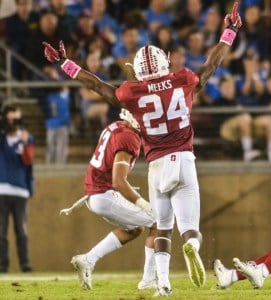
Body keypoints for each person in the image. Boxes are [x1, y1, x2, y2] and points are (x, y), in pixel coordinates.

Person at [42, 2, 243, 296]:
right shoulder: (182, 80)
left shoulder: (131, 93)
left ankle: (162, 284)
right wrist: (230, 31)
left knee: (161, 227)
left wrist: (66, 64)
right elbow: (211, 64)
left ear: (136, 70)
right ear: (165, 62)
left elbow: (97, 86)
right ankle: (191, 245)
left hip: (157, 165)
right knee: (188, 227)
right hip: (184, 159)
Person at [64, 109, 157, 290]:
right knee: (159, 222)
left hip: (95, 192)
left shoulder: (115, 127)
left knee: (135, 229)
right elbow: (118, 181)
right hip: (104, 193)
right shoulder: (129, 137)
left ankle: (88, 259)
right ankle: (148, 279)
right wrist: (142, 203)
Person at [0, 105, 34, 273]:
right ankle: (2, 265)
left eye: (17, 119)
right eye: (10, 119)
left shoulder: (27, 138)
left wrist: (25, 141)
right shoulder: (1, 138)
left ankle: (25, 265)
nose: (14, 122)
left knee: (22, 231)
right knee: (1, 232)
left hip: (20, 190)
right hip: (2, 189)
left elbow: (28, 161)